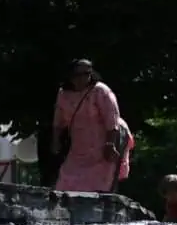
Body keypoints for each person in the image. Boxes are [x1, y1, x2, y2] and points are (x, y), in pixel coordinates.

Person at [52, 61, 130, 195]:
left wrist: (110, 144)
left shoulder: (100, 91)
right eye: (78, 74)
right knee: (67, 183)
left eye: (87, 74)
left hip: (106, 139)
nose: (83, 78)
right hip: (80, 145)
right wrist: (56, 141)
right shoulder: (64, 94)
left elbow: (112, 118)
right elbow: (58, 122)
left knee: (102, 183)